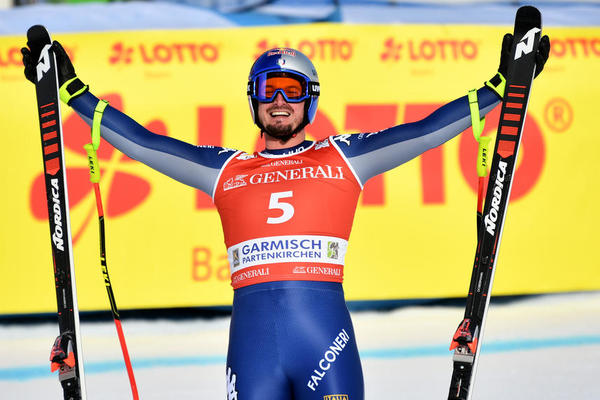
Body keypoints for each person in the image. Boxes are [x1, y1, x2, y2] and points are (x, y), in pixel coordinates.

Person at [22, 31, 549, 399]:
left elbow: (424, 131)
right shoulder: (224, 169)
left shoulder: (345, 157)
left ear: (310, 101)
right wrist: (73, 94)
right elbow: (144, 144)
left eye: (291, 90)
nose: (278, 100)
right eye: (267, 89)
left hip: (326, 345)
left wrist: (502, 85)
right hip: (254, 352)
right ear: (253, 100)